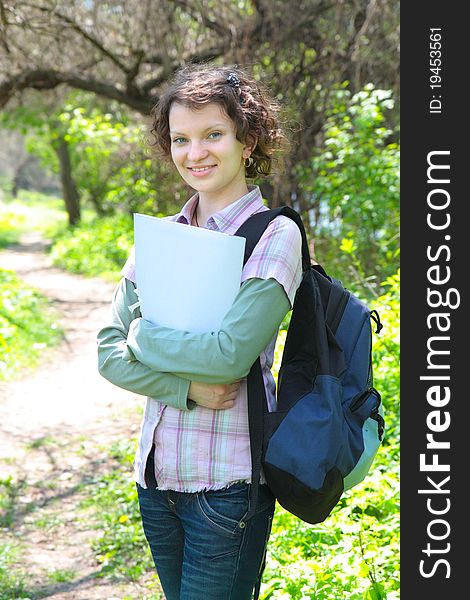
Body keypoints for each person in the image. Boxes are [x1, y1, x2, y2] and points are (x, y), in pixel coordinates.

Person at [97, 63, 302, 600]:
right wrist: (182, 390)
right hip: (156, 479)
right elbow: (105, 353)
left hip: (227, 485)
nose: (196, 153)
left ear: (247, 138)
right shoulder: (158, 237)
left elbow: (228, 357)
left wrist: (142, 335)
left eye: (213, 134)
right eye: (182, 139)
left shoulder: (273, 236)